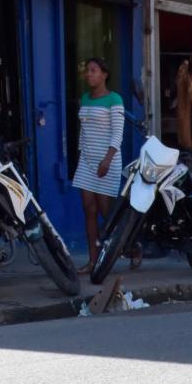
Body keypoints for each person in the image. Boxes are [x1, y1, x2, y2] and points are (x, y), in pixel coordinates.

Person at [71, 57, 124, 264]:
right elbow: (83, 132)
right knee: (88, 209)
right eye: (87, 71)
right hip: (87, 160)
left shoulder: (114, 99)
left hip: (107, 160)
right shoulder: (85, 98)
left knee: (105, 212)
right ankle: (93, 261)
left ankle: (126, 247)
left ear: (104, 75)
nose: (88, 74)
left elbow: (117, 134)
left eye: (93, 70)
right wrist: (81, 155)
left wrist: (107, 160)